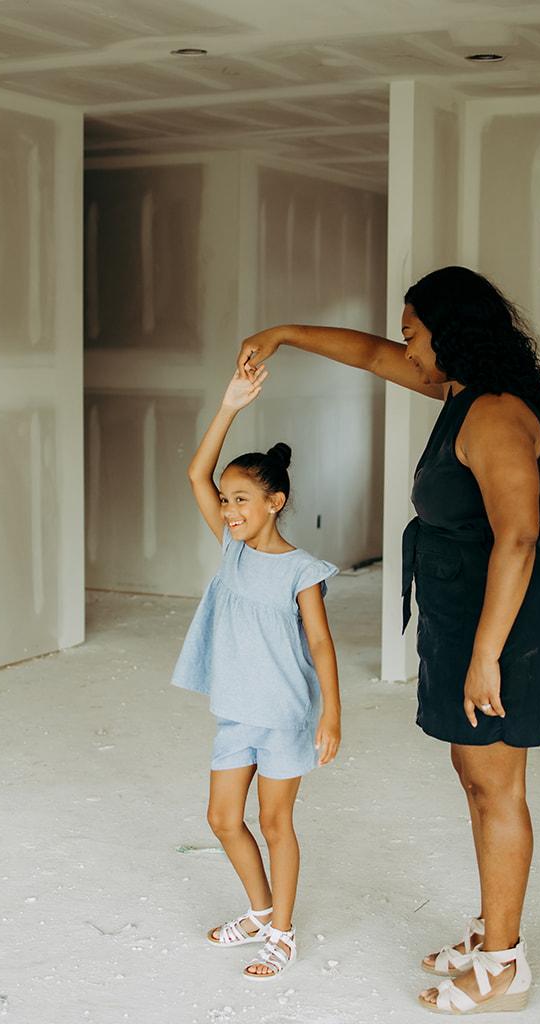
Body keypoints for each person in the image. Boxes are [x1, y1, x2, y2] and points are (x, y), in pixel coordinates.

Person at [236, 265, 540, 1014]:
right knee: (474, 773)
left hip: (503, 621)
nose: (407, 349)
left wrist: (486, 656)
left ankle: (506, 966)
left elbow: (517, 538)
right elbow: (371, 354)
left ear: (452, 333)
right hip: (463, 608)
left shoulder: (496, 414)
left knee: (498, 784)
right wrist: (284, 331)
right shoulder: (462, 390)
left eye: (416, 334)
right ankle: (492, 931)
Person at [171, 362, 343, 981]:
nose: (229, 508)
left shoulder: (303, 570)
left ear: (276, 502)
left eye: (241, 499)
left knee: (275, 822)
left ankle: (283, 932)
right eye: (225, 500)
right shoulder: (231, 547)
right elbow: (196, 472)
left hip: (286, 716)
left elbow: (322, 647)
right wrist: (229, 406)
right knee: (221, 819)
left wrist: (332, 715)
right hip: (238, 711)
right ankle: (259, 910)